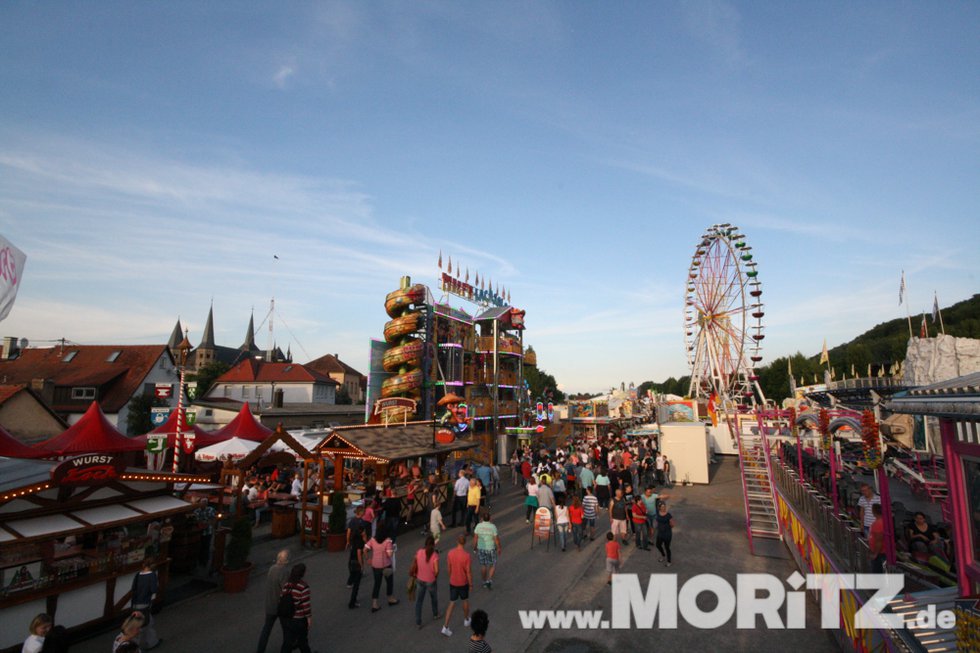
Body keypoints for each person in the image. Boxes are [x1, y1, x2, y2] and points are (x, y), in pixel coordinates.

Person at [257, 549, 290, 652]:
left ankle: (260, 650)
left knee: (266, 629)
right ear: (286, 561)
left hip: (270, 604)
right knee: (286, 628)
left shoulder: (272, 569)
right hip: (280, 607)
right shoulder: (284, 571)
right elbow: (285, 590)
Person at [442, 534, 473, 638]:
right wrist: (471, 584)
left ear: (457, 541)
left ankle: (445, 626)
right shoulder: (466, 555)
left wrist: (451, 576)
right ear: (465, 542)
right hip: (463, 582)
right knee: (465, 600)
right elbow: (468, 572)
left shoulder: (450, 553)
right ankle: (466, 619)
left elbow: (449, 568)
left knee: (452, 603)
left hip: (453, 582)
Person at [364, 524, 399, 611]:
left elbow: (365, 549)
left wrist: (368, 559)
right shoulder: (388, 541)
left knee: (377, 584)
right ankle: (390, 598)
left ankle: (374, 604)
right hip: (386, 565)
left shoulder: (373, 540)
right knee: (389, 582)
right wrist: (392, 549)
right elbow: (389, 554)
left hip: (375, 565)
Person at [279, 563, 312, 653]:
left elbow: (281, 597)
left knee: (287, 641)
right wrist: (309, 618)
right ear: (302, 574)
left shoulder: (287, 584)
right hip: (298, 619)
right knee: (302, 641)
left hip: (286, 618)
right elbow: (306, 604)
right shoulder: (303, 587)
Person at [130, 560, 160, 650]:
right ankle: (134, 647)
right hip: (144, 603)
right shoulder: (152, 575)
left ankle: (152, 641)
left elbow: (133, 588)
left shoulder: (138, 574)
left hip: (135, 603)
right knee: (143, 625)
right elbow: (154, 589)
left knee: (148, 622)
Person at [411, 535, 440, 628]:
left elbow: (415, 561)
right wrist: (435, 576)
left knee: (419, 601)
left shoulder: (419, 552)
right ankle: (435, 614)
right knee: (433, 598)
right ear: (433, 545)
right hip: (431, 581)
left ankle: (418, 622)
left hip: (420, 579)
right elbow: (436, 570)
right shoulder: (434, 555)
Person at [472, 510, 501, 589]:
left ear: (482, 518)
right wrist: (499, 548)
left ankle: (484, 581)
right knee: (493, 564)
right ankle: (489, 579)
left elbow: (475, 538)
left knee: (483, 565)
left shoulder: (478, 526)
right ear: (490, 518)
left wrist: (474, 547)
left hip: (481, 548)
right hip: (491, 548)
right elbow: (496, 539)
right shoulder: (493, 527)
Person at [192, 498, 216, 571]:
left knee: (206, 547)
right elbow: (195, 520)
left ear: (206, 504)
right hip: (199, 532)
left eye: (204, 503)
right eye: (202, 503)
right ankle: (199, 561)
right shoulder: (197, 511)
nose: (203, 504)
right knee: (199, 546)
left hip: (208, 531)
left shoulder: (210, 510)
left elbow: (213, 519)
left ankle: (204, 562)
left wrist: (207, 524)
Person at [655, 502, 675, 567]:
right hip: (660, 533)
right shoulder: (658, 513)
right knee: (658, 545)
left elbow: (672, 524)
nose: (664, 508)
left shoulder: (668, 515)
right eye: (662, 507)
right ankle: (663, 555)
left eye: (664, 507)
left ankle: (669, 561)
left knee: (667, 548)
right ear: (659, 508)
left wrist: (667, 528)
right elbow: (657, 521)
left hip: (667, 534)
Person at [869, 504, 886, 573]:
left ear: (874, 511)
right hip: (880, 552)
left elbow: (879, 541)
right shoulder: (881, 521)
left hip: (879, 554)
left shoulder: (878, 523)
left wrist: (875, 554)